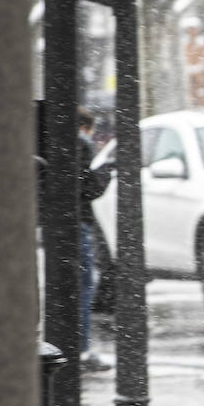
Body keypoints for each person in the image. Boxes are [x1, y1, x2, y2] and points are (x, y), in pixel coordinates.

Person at [78, 107, 114, 371]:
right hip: (76, 222)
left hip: (59, 222)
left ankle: (74, 348)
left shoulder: (49, 140)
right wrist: (106, 171)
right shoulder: (80, 143)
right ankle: (80, 350)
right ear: (87, 128)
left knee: (71, 286)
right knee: (82, 285)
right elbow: (88, 186)